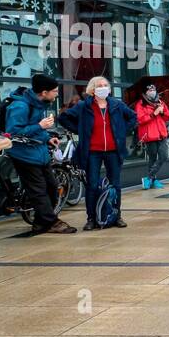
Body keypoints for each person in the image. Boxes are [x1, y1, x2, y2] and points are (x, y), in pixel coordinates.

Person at [58, 75, 137, 230]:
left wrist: (121, 131)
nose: (103, 88)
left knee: (115, 184)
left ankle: (116, 216)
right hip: (92, 152)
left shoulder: (116, 104)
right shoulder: (84, 106)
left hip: (113, 151)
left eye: (105, 85)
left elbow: (133, 117)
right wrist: (80, 130)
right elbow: (64, 118)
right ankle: (91, 219)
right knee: (92, 185)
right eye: (99, 85)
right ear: (92, 90)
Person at [4, 74, 76, 233]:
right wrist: (40, 126)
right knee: (38, 191)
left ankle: (40, 222)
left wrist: (47, 138)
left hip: (39, 153)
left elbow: (35, 130)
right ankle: (52, 222)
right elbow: (13, 133)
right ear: (44, 92)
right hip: (23, 155)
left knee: (52, 187)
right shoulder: (20, 106)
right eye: (55, 91)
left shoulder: (38, 103)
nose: (57, 94)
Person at [135, 82, 169, 189]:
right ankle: (154, 180)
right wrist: (154, 113)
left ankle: (149, 178)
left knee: (164, 156)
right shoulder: (140, 104)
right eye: (149, 90)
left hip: (161, 134)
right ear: (145, 92)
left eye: (153, 89)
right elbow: (140, 120)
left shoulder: (160, 102)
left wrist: (161, 112)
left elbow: (168, 116)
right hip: (149, 135)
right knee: (152, 158)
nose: (152, 92)